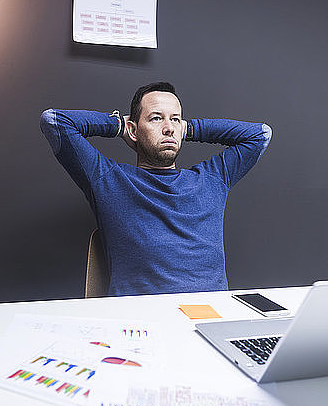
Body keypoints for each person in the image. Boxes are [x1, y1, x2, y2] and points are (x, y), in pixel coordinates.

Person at [40, 81, 272, 297]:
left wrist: (189, 129)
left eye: (176, 119)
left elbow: (260, 135)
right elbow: (54, 121)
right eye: (156, 119)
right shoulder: (108, 179)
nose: (169, 128)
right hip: (145, 322)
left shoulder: (212, 178)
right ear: (134, 130)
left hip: (211, 316)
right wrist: (119, 125)